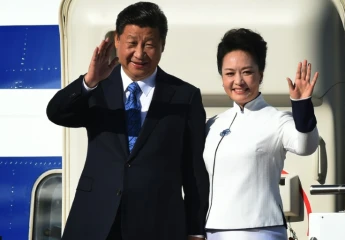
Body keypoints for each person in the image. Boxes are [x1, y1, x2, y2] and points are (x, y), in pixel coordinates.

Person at [46, 2, 209, 240]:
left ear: (162, 45)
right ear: (117, 42)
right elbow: (56, 113)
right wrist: (89, 81)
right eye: (132, 43)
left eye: (149, 44)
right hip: (95, 220)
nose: (140, 53)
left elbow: (194, 171)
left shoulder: (185, 96)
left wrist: (195, 230)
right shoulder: (98, 87)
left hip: (157, 223)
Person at [203, 28, 319, 240]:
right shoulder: (212, 124)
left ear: (261, 74)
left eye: (247, 72)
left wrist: (301, 104)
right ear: (222, 77)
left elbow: (306, 145)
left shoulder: (277, 120)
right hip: (214, 231)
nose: (238, 81)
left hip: (262, 230)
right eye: (230, 73)